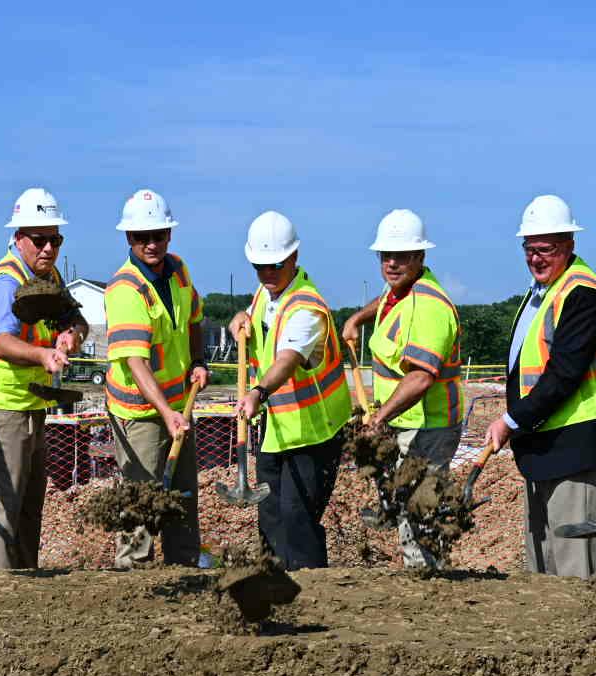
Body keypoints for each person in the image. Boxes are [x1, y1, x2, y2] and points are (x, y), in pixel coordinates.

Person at [482, 195, 596, 577]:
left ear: (569, 245)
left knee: (573, 568)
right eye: (529, 249)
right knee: (542, 568)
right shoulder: (541, 293)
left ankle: (580, 635)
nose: (536, 258)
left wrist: (510, 421)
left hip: (577, 446)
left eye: (545, 249)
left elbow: (563, 374)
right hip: (544, 444)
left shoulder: (582, 295)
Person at [0, 187, 88, 569]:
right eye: (39, 239)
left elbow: (74, 319)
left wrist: (73, 335)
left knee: (28, 508)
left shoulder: (49, 277)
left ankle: (24, 591)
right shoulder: (5, 283)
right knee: (1, 513)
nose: (48, 248)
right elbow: (1, 342)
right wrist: (44, 354)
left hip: (28, 406)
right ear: (18, 238)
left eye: (55, 239)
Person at [228, 211, 353, 570]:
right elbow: (261, 322)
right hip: (276, 430)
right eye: (259, 266)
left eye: (275, 265)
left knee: (298, 518)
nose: (267, 274)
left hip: (313, 433)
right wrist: (241, 316)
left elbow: (288, 358)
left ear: (294, 258)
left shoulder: (306, 307)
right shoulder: (267, 292)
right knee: (270, 516)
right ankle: (274, 581)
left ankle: (312, 590)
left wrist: (258, 392)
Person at [341, 209, 464, 569]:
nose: (392, 264)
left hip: (428, 427)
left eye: (402, 256)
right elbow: (385, 301)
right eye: (386, 256)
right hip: (405, 424)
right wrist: (357, 318)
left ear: (420, 257)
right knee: (406, 507)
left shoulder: (428, 306)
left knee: (419, 516)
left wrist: (377, 418)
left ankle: (426, 583)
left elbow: (421, 377)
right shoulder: (399, 291)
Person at [103, 189, 207, 567]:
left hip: (178, 406)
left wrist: (199, 359)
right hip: (141, 415)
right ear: (128, 239)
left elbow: (195, 319)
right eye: (141, 237)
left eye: (158, 235)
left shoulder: (179, 269)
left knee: (181, 499)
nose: (151, 244)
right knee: (142, 505)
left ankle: (185, 568)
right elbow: (135, 362)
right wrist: (167, 413)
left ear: (169, 234)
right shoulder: (126, 289)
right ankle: (134, 577)